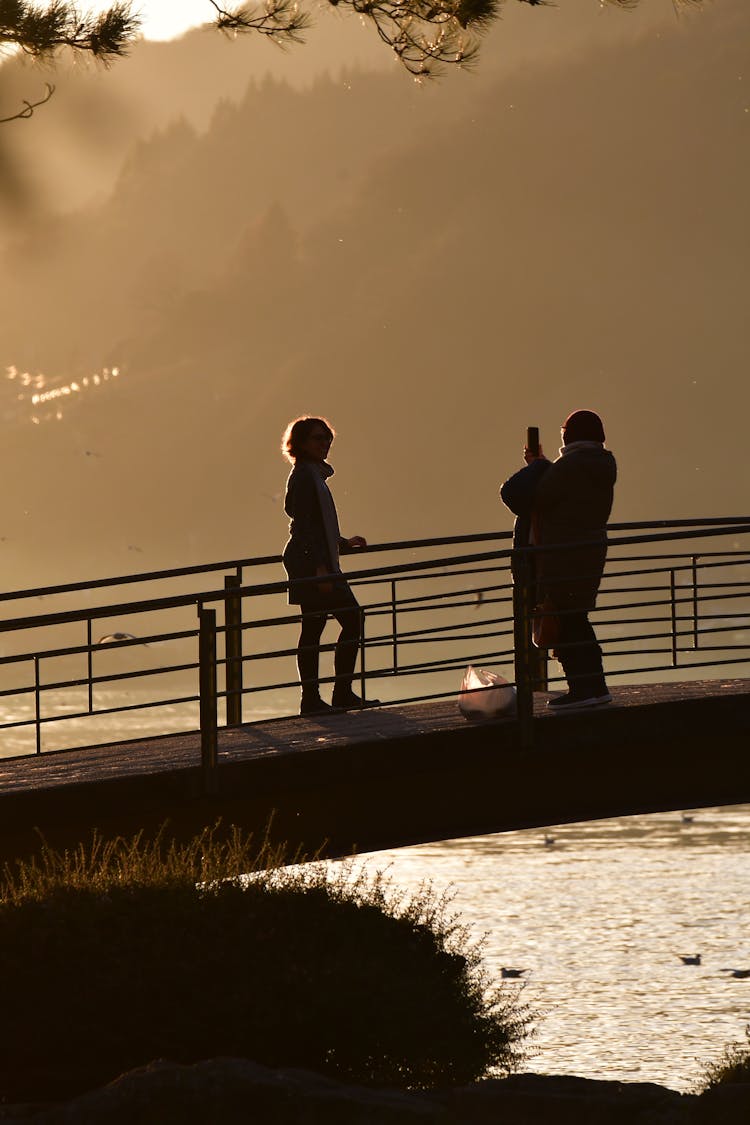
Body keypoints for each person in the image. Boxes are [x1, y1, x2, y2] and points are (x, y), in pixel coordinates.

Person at [501, 410, 617, 713]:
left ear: (570, 434)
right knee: (574, 617)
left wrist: (537, 467)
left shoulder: (572, 466)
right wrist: (542, 467)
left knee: (567, 620)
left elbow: (521, 496)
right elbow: (560, 493)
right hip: (585, 553)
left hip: (563, 556)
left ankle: (585, 689)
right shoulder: (597, 464)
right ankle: (592, 687)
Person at [281, 415, 378, 716]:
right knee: (349, 619)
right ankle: (332, 695)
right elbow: (305, 524)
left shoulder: (312, 474)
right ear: (300, 443)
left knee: (316, 625)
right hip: (311, 562)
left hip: (313, 559)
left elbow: (315, 523)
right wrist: (321, 566)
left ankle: (318, 698)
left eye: (328, 439)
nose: (325, 444)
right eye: (318, 439)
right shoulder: (304, 476)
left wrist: (341, 543)